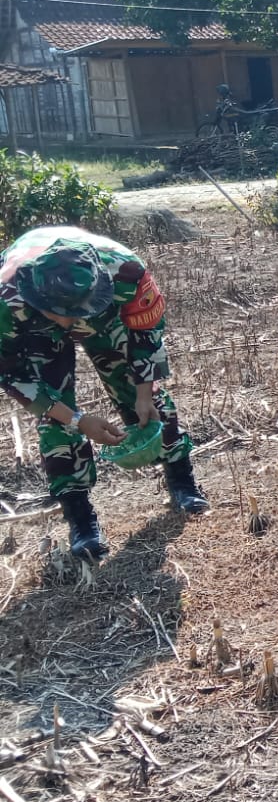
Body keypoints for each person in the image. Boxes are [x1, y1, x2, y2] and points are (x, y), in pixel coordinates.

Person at [0, 226, 208, 560]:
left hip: (103, 315)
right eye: (60, 313)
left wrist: (143, 393)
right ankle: (81, 520)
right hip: (34, 327)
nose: (68, 323)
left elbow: (146, 333)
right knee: (56, 418)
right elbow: (13, 376)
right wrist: (77, 419)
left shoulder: (128, 273)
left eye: (75, 312)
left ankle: (182, 481)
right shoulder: (6, 301)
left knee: (143, 394)